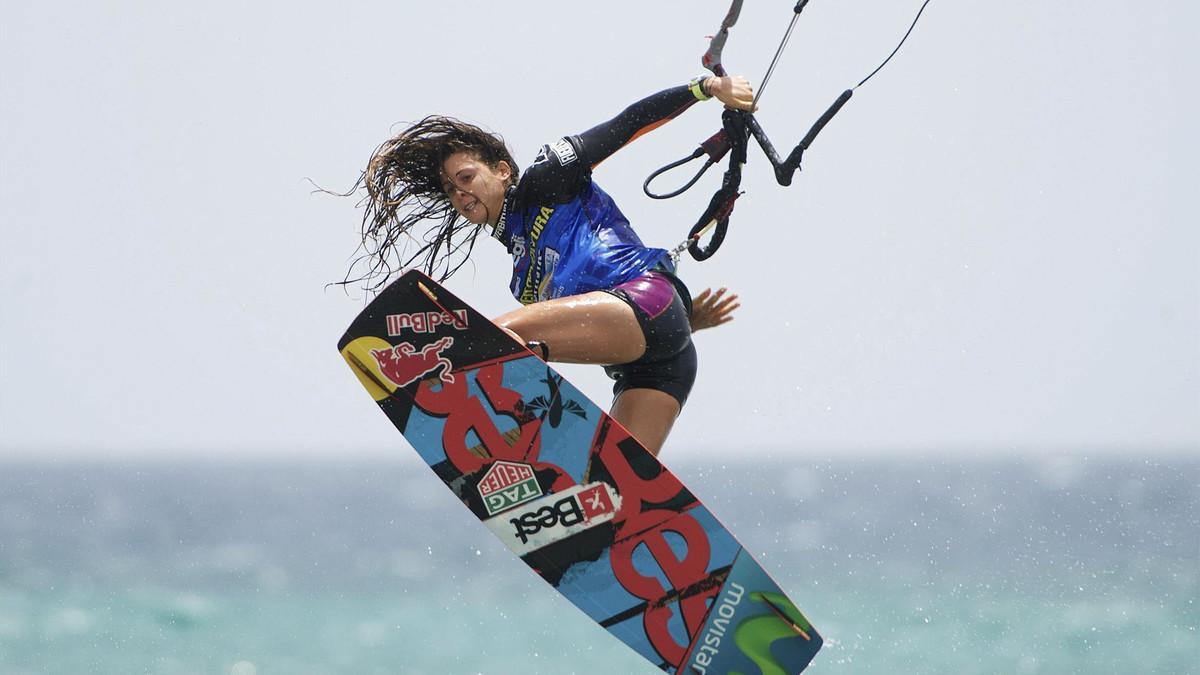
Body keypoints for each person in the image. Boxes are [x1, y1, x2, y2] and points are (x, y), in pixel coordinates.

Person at [347, 75, 753, 456]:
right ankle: (535, 449)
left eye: (467, 177)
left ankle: (504, 433)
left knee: (494, 335)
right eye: (452, 189)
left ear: (503, 171)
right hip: (656, 360)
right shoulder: (523, 280)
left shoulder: (549, 179)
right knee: (614, 483)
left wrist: (706, 87)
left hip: (647, 302)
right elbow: (589, 332)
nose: (460, 192)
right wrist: (687, 319)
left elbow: (626, 124)